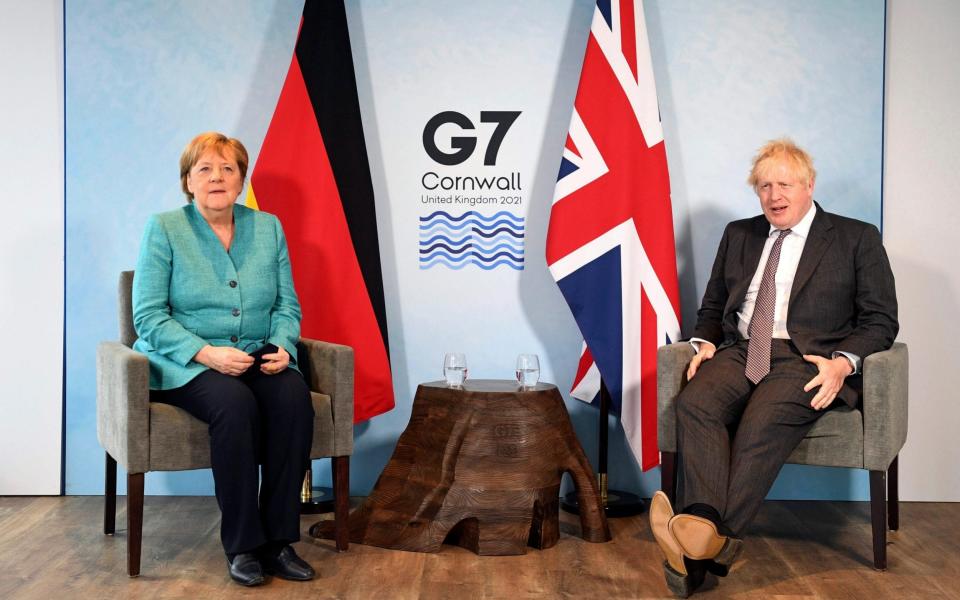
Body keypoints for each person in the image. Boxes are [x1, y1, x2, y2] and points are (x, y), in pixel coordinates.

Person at [649, 139, 898, 597]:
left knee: (761, 422)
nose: (773, 195)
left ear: (809, 185)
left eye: (784, 184)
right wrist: (703, 344)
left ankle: (696, 553)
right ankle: (704, 526)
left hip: (808, 359)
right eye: (764, 186)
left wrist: (843, 364)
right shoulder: (739, 234)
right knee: (695, 404)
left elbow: (881, 320)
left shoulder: (855, 237)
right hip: (743, 350)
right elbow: (713, 306)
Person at [132, 132, 316, 586]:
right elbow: (148, 316)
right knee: (233, 404)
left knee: (293, 394)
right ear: (188, 181)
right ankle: (243, 545)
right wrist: (205, 352)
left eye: (228, 169)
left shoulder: (268, 226)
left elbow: (287, 305)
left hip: (256, 354)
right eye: (205, 170)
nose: (217, 177)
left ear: (241, 180)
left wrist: (283, 348)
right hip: (188, 361)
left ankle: (278, 541)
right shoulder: (165, 228)